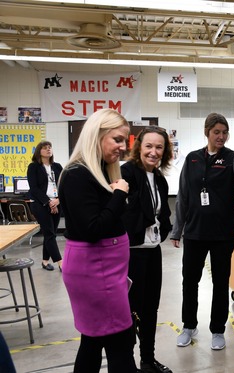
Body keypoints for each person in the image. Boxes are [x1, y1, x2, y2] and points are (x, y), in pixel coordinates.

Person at [58, 108, 138, 373]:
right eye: (116, 139)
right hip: (96, 271)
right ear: (97, 135)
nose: (121, 148)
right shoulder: (77, 175)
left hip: (106, 269)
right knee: (120, 340)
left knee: (93, 340)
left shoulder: (101, 171)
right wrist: (118, 195)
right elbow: (93, 228)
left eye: (124, 141)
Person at [170, 113, 234, 351]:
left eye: (225, 132)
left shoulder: (232, 158)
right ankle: (189, 326)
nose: (221, 136)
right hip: (195, 232)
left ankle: (218, 330)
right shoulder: (193, 159)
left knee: (220, 282)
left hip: (222, 234)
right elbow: (183, 197)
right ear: (207, 132)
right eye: (216, 132)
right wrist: (177, 231)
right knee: (190, 282)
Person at [121, 127, 173, 373]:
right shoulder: (127, 172)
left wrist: (160, 232)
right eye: (149, 146)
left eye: (159, 147)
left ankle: (148, 360)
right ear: (139, 147)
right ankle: (127, 363)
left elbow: (163, 215)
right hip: (130, 254)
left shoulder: (160, 179)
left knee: (150, 308)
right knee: (130, 311)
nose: (154, 152)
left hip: (152, 251)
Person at [27, 140, 63, 271]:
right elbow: (34, 188)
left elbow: (63, 185)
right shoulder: (33, 167)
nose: (48, 150)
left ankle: (45, 261)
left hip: (57, 203)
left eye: (50, 148)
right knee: (50, 233)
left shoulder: (57, 167)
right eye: (45, 148)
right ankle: (61, 262)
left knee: (50, 233)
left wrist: (57, 200)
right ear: (39, 151)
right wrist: (49, 202)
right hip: (40, 204)